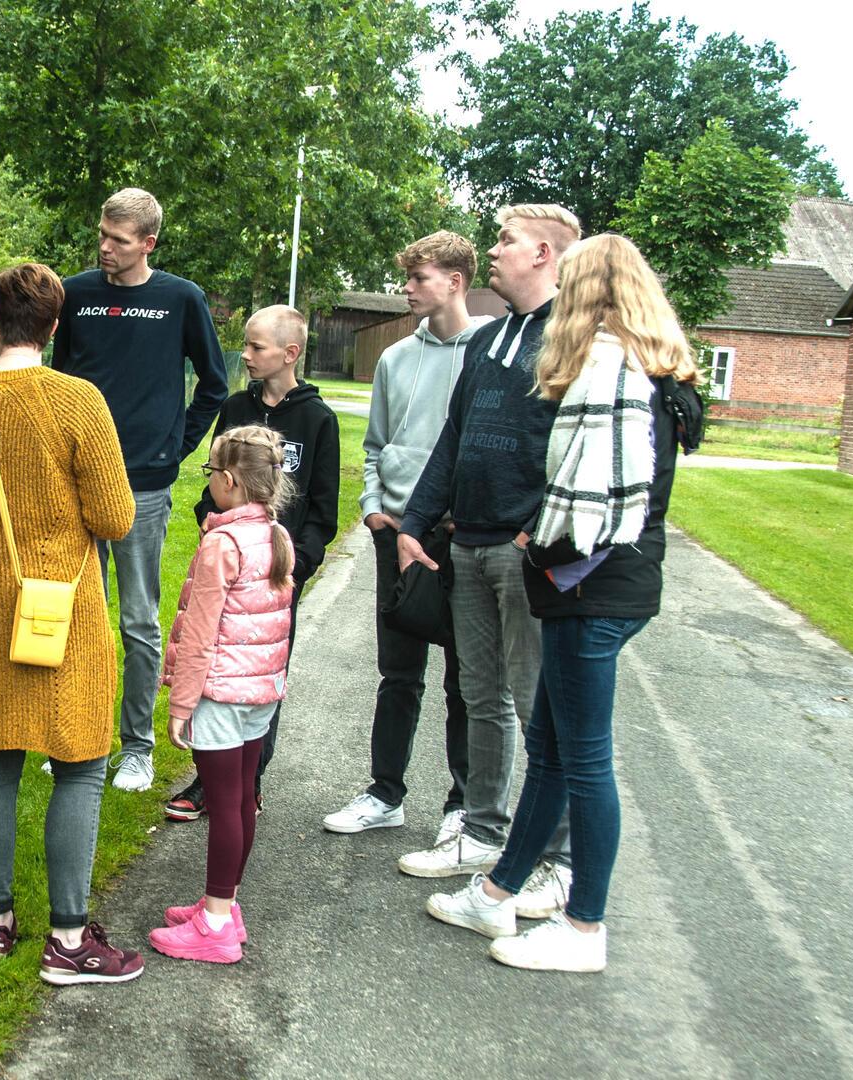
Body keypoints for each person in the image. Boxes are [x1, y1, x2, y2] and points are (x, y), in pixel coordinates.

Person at [424, 234, 703, 972]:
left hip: (592, 589)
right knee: (550, 748)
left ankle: (584, 928)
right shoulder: (646, 364)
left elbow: (595, 503)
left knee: (583, 759)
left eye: (573, 282)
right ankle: (497, 890)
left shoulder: (611, 366)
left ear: (596, 289)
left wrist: (536, 548)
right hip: (604, 587)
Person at [0, 263, 144, 985]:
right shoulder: (79, 401)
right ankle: (70, 940)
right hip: (60, 610)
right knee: (79, 763)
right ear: (53, 326)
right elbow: (115, 517)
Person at [392, 206, 579, 912]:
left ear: (541, 252)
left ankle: (557, 861)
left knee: (538, 706)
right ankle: (482, 831)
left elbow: (577, 444)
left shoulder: (576, 339)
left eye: (503, 241)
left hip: (523, 553)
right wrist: (416, 520)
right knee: (480, 695)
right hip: (463, 544)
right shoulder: (488, 338)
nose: (493, 252)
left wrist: (538, 528)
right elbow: (454, 437)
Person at [52, 188, 229, 793]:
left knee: (137, 622)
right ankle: (79, 738)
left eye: (118, 240)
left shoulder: (180, 298)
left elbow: (214, 383)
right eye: (102, 234)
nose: (105, 247)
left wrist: (174, 448)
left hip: (144, 485)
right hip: (75, 481)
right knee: (78, 615)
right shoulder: (76, 294)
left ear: (148, 243)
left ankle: (137, 749)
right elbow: (60, 382)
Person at [322, 232, 485, 841]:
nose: (408, 290)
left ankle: (462, 806)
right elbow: (374, 446)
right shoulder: (394, 358)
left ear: (456, 282)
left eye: (420, 279)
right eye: (408, 278)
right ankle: (384, 793)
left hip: (457, 540)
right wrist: (371, 510)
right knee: (398, 675)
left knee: (466, 679)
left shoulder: (488, 354)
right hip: (395, 537)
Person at [165, 306, 337, 822]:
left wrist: (293, 566)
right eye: (245, 344)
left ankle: (249, 782)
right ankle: (208, 779)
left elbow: (323, 511)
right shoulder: (237, 406)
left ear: (290, 353)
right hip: (225, 566)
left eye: (256, 347)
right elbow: (214, 481)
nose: (245, 354)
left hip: (276, 575)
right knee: (213, 670)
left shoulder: (316, 419)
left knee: (261, 675)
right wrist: (204, 515)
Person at [149, 425, 296, 964]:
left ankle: (214, 923)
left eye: (210, 473)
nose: (208, 481)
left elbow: (200, 632)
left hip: (220, 695)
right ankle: (224, 903)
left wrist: (182, 704)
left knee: (224, 805)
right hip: (260, 693)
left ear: (229, 481)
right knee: (240, 797)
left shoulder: (221, 544)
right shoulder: (276, 535)